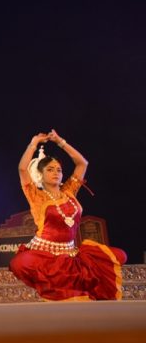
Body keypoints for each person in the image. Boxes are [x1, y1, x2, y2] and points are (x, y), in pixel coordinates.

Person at [10, 129, 127, 301]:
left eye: (59, 170)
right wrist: (33, 144)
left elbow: (82, 164)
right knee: (20, 263)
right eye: (50, 169)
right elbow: (22, 169)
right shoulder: (36, 196)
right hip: (44, 254)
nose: (56, 172)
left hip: (70, 253)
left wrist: (60, 142)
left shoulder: (69, 192)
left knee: (120, 255)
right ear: (40, 175)